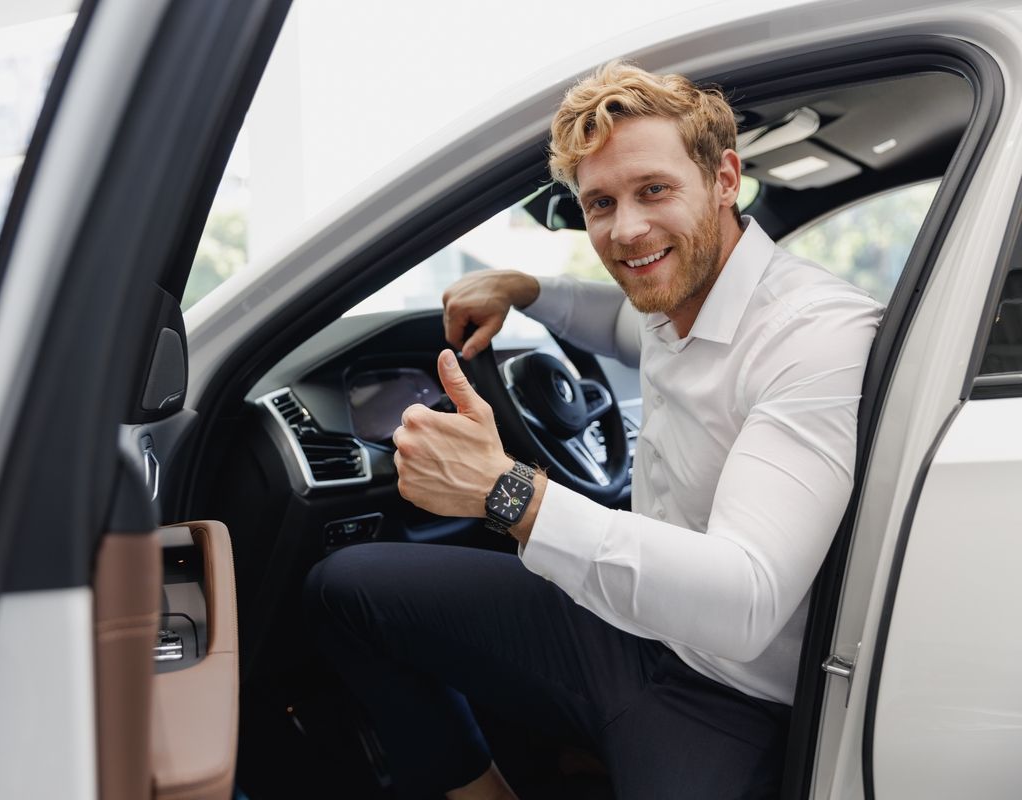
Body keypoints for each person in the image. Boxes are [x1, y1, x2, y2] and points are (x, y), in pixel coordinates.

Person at [304, 61, 882, 799]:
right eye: (600, 203)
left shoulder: (811, 334)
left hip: (729, 694)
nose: (626, 229)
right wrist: (524, 289)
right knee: (345, 590)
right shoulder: (677, 291)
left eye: (654, 190)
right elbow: (616, 321)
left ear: (726, 178)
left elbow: (747, 601)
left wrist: (508, 492)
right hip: (619, 622)